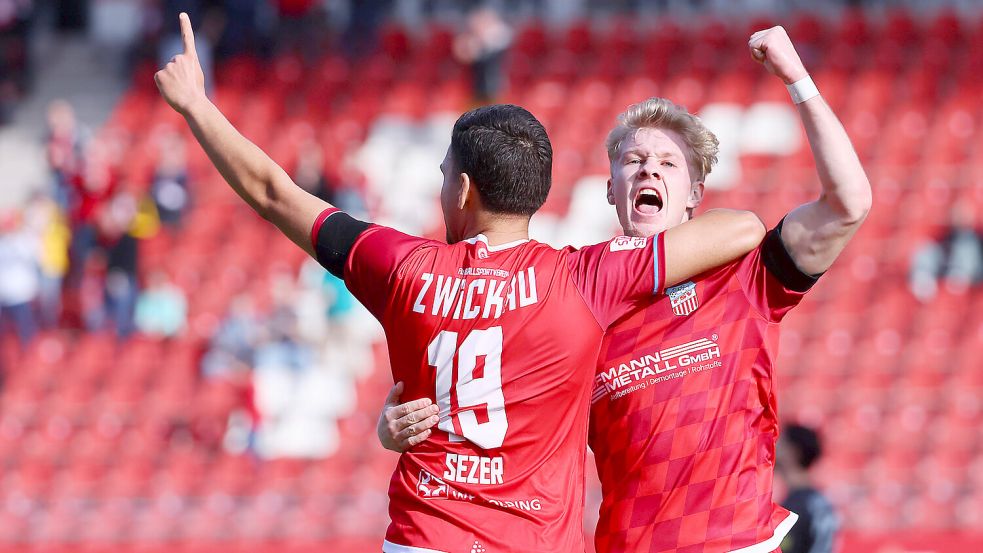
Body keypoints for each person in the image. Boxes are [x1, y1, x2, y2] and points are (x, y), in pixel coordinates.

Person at [155, 13, 765, 552]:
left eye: (446, 172)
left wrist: (196, 106)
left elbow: (272, 193)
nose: (442, 184)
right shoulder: (584, 277)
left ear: (466, 190)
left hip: (429, 538)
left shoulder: (402, 269)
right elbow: (739, 230)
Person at [378, 25, 872, 552]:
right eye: (633, 162)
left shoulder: (744, 277)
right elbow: (495, 424)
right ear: (611, 190)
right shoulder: (571, 299)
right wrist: (400, 429)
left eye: (666, 163)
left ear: (692, 195)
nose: (647, 172)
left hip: (736, 543)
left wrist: (797, 79)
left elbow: (848, 204)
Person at [776, 424, 839, 553]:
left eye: (780, 442)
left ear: (792, 452)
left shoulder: (797, 506)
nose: (774, 447)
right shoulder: (819, 501)